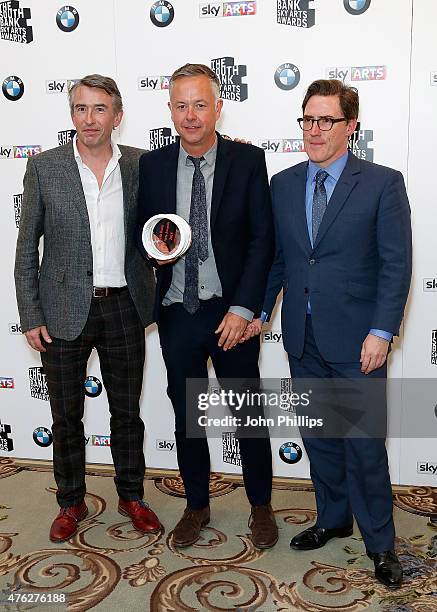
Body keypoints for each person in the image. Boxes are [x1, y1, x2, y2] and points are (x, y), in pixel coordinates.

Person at [246, 79, 412, 587]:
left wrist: (382, 331)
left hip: (359, 340)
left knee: (364, 444)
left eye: (327, 121)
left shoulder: (383, 182)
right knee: (320, 439)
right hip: (303, 337)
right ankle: (334, 517)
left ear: (350, 126)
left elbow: (395, 264)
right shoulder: (285, 183)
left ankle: (381, 543)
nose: (314, 131)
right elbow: (279, 260)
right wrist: (256, 311)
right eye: (307, 120)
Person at [14, 74, 161, 542]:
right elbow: (25, 249)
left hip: (124, 306)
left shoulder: (142, 165)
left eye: (100, 109)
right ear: (72, 114)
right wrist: (30, 314)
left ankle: (132, 495)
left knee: (126, 412)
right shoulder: (44, 168)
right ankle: (70, 501)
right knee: (65, 415)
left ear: (117, 117)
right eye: (80, 108)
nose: (89, 118)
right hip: (61, 310)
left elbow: (165, 226)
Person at [136, 63, 277, 549]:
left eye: (200, 104)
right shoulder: (151, 167)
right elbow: (144, 237)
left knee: (247, 413)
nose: (190, 115)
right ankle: (196, 505)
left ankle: (261, 505)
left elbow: (263, 241)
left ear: (218, 107)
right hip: (178, 310)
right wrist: (153, 250)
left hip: (230, 312)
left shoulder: (248, 161)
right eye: (181, 105)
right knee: (187, 415)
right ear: (170, 110)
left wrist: (245, 309)